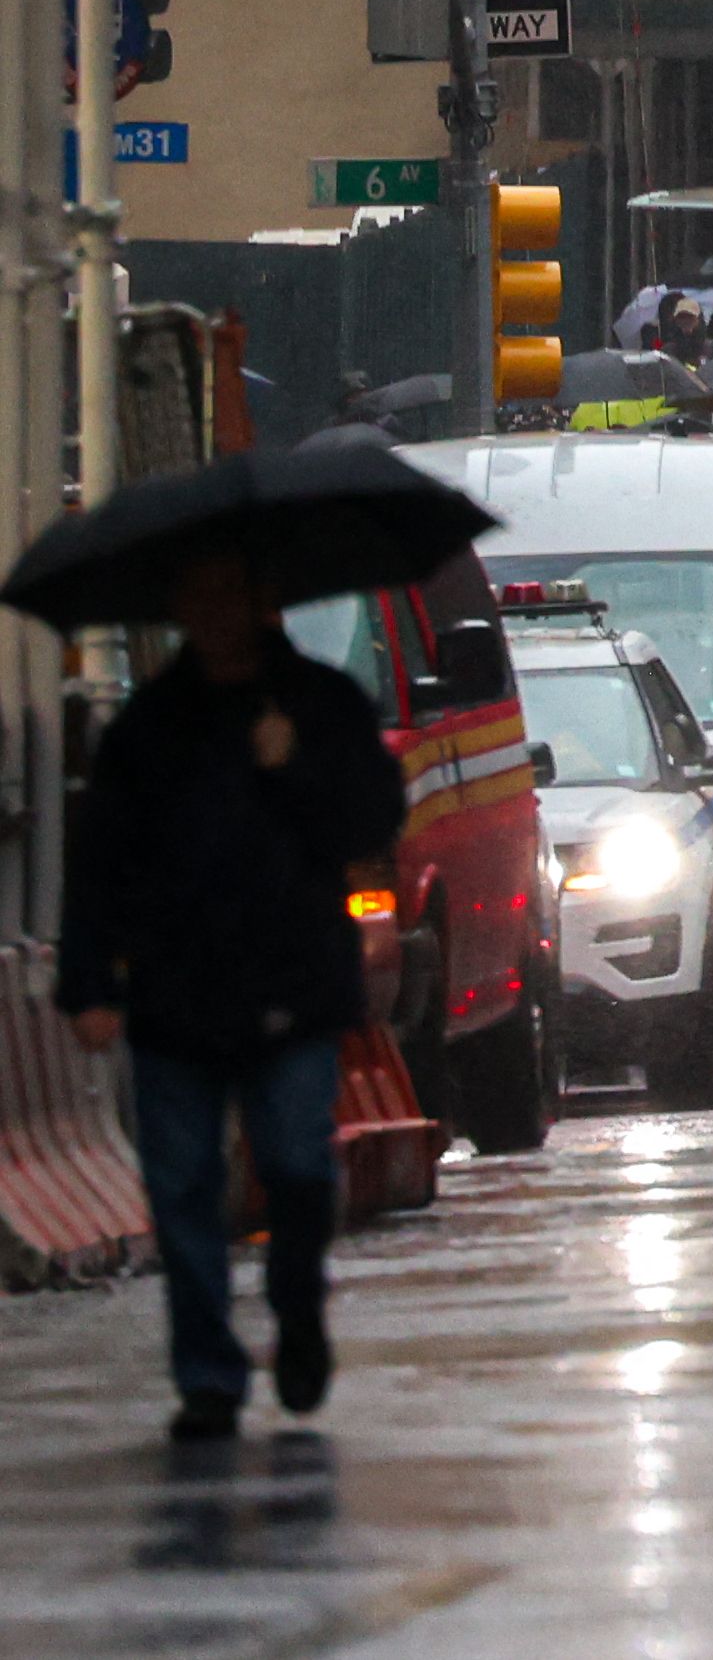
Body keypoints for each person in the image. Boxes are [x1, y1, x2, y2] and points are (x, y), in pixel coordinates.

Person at [55, 547, 408, 1442]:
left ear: (260, 601)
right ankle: (208, 1376)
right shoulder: (148, 727)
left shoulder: (321, 705)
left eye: (227, 591)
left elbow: (371, 825)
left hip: (292, 989)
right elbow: (101, 864)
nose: (210, 613)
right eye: (195, 595)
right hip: (176, 997)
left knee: (295, 1166)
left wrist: (292, 767)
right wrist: (89, 981)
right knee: (183, 1189)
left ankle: (297, 1312)